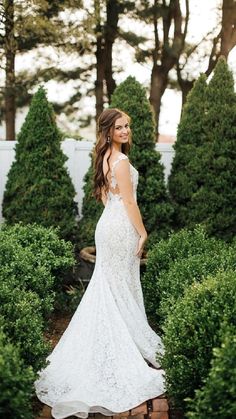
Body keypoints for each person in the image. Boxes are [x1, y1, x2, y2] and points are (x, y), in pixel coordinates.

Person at [34, 108, 165, 419]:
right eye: (119, 127)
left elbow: (108, 198)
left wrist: (117, 213)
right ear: (108, 131)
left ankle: (120, 341)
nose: (125, 131)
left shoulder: (105, 156)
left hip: (109, 224)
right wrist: (142, 231)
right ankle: (120, 346)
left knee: (112, 285)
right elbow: (129, 201)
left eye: (127, 126)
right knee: (118, 285)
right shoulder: (120, 161)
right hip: (120, 227)